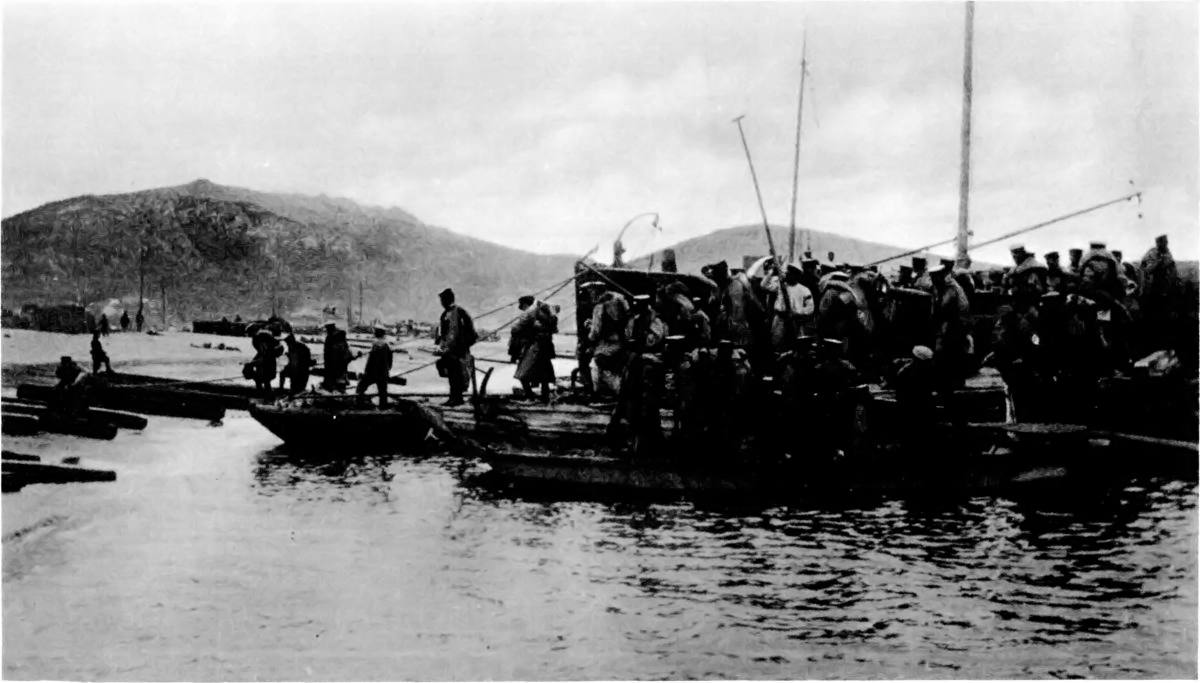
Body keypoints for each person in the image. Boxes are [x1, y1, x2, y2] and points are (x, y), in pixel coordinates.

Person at [929, 260, 972, 414]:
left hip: (955, 324)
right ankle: (946, 384)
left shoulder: (952, 288)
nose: (933, 280)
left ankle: (951, 386)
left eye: (934, 277)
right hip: (946, 324)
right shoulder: (939, 287)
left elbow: (948, 308)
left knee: (949, 353)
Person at [509, 296, 556, 403]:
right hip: (545, 348)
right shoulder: (545, 312)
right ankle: (545, 398)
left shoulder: (531, 312)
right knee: (544, 375)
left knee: (522, 374)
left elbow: (516, 329)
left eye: (521, 305)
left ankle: (530, 397)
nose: (519, 307)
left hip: (534, 347)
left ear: (525, 304)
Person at [708, 260, 764, 349]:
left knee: (740, 350)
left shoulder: (735, 285)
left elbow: (738, 311)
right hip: (731, 322)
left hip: (739, 325)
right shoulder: (723, 285)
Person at [435, 288, 476, 406]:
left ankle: (456, 399)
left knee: (456, 374)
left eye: (442, 300)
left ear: (447, 299)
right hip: (450, 350)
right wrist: (440, 345)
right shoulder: (446, 313)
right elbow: (443, 334)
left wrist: (450, 347)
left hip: (457, 350)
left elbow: (455, 333)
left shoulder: (457, 312)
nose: (441, 303)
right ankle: (454, 397)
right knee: (452, 374)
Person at [762, 261, 815, 349]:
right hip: (780, 319)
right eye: (787, 273)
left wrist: (796, 313)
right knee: (776, 344)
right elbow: (763, 285)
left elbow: (810, 308)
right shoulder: (780, 286)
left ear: (797, 276)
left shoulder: (804, 290)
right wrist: (771, 273)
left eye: (791, 274)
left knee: (794, 345)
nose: (787, 275)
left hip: (795, 321)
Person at [588, 289, 631, 396]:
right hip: (623, 343)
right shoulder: (623, 304)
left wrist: (590, 330)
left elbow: (595, 332)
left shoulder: (599, 308)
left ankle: (597, 392)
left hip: (608, 345)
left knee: (595, 363)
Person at [357, 327, 394, 407]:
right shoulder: (387, 346)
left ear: (376, 334)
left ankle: (359, 403)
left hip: (372, 372)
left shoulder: (375, 345)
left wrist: (366, 371)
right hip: (383, 373)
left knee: (361, 387)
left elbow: (370, 361)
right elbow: (390, 361)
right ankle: (383, 408)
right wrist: (387, 369)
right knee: (383, 392)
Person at [251, 330, 284, 400]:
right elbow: (260, 353)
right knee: (260, 380)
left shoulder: (263, 339)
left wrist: (255, 362)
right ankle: (262, 395)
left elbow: (265, 355)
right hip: (265, 364)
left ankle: (268, 397)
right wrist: (253, 362)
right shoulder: (257, 341)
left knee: (266, 380)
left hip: (268, 364)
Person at [321, 322, 353, 392]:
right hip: (341, 364)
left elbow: (329, 353)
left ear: (329, 328)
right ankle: (341, 394)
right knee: (340, 382)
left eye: (327, 328)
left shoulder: (331, 338)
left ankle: (336, 396)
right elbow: (347, 352)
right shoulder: (340, 337)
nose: (326, 330)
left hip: (334, 365)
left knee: (333, 383)